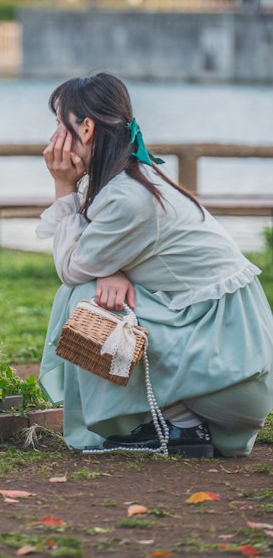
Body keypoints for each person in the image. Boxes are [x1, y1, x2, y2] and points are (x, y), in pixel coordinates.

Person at [37, 71, 273, 457]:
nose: (51, 138)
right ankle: (175, 419)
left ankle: (183, 425)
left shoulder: (128, 197)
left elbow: (69, 268)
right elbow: (95, 253)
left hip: (231, 366)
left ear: (87, 127)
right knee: (91, 288)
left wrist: (62, 187)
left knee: (83, 298)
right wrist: (110, 268)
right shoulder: (134, 180)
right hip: (230, 355)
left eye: (58, 123)